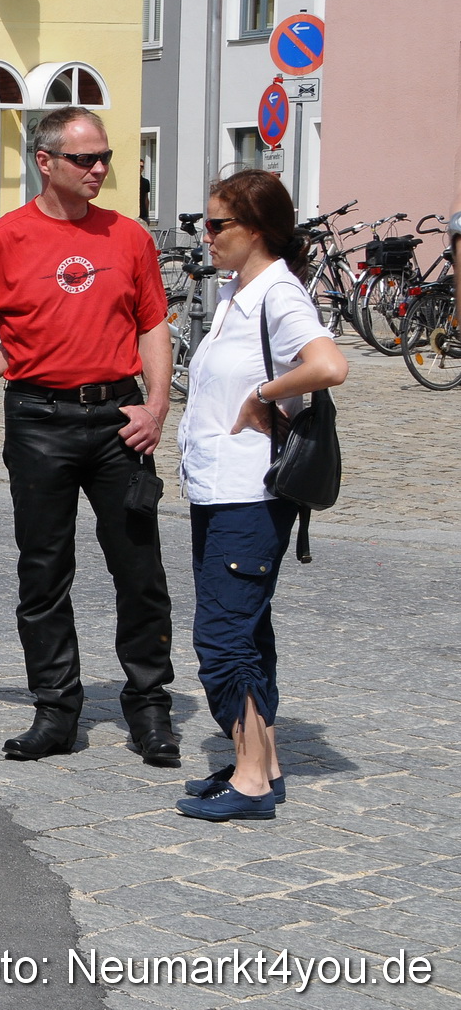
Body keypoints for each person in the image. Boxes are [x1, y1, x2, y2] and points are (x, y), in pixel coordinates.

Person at [0, 107, 177, 765]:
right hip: (39, 421)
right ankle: (55, 709)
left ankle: (149, 705)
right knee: (44, 570)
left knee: (139, 569)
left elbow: (152, 325)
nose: (99, 168)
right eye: (84, 158)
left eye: (105, 156)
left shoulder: (128, 237)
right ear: (45, 162)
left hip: (119, 420)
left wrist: (156, 406)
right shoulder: (1, 240)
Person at [175, 170, 347, 821]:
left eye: (217, 224)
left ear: (257, 230)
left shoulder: (277, 293)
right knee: (248, 630)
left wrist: (263, 396)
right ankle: (262, 762)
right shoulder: (236, 293)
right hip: (220, 490)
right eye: (205, 223)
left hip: (250, 494)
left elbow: (329, 365)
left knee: (222, 637)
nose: (206, 235)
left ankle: (249, 782)